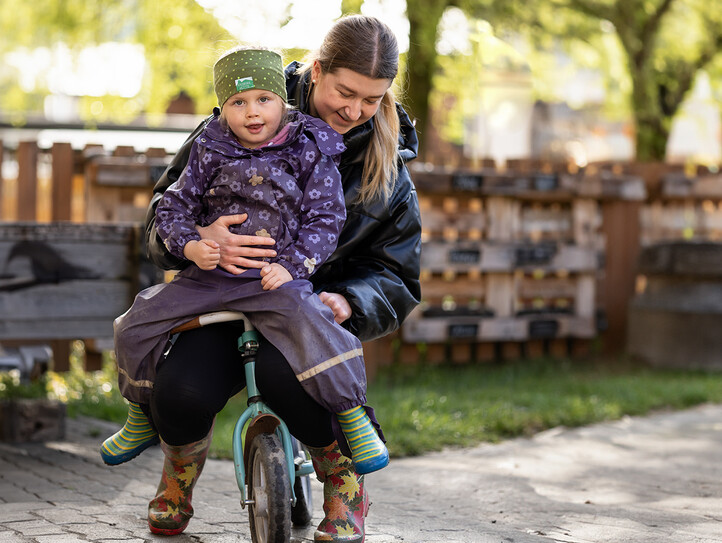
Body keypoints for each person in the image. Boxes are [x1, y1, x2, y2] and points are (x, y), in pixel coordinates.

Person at [107, 14, 421, 542]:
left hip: (300, 304)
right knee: (179, 392)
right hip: (219, 295)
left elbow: (397, 272)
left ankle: (343, 482)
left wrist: (349, 300)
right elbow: (165, 209)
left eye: (371, 100)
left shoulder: (386, 162)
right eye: (345, 92)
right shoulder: (245, 104)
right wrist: (200, 237)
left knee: (293, 378)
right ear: (317, 70)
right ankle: (178, 474)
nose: (354, 110)